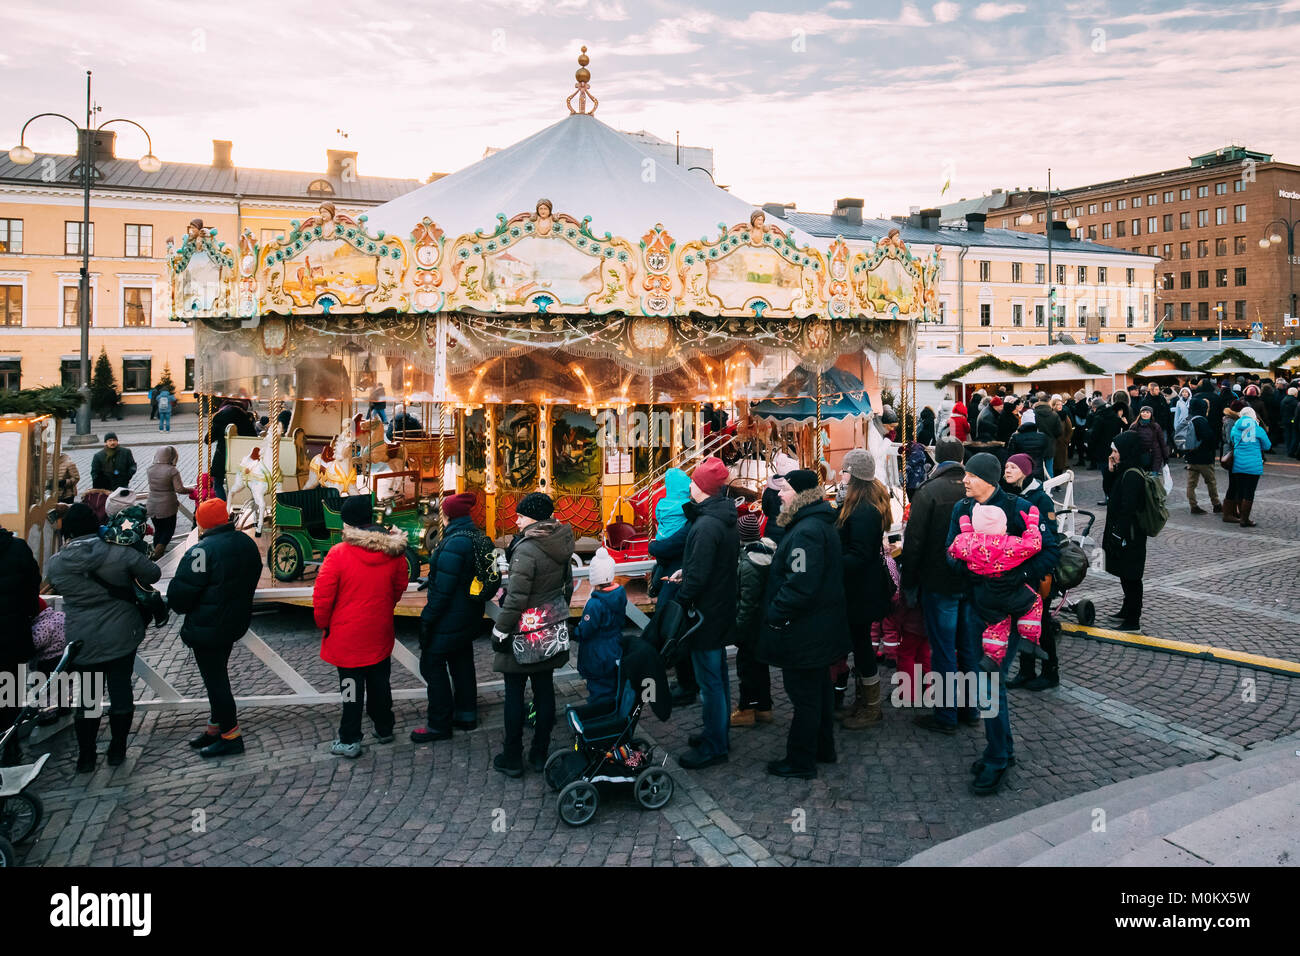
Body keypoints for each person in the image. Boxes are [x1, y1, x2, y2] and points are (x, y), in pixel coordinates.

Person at [943, 453, 1058, 796]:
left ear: (989, 479)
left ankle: (996, 758)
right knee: (988, 683)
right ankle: (1003, 751)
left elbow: (1050, 550)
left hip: (1010, 611)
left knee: (988, 684)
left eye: (971, 475)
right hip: (976, 606)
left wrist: (1016, 573)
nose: (964, 480)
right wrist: (971, 569)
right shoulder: (961, 509)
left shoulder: (1018, 507)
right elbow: (949, 552)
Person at [45, 502, 161, 773]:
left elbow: (55, 583)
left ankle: (86, 757)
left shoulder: (57, 564)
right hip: (121, 632)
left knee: (87, 695)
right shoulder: (118, 552)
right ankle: (117, 750)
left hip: (82, 636)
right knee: (120, 689)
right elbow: (153, 573)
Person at [758, 469, 850, 780]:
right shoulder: (813, 524)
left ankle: (800, 760)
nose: (779, 495)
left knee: (805, 696)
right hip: (818, 628)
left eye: (784, 490)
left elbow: (800, 585)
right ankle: (823, 749)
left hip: (806, 630)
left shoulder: (805, 532)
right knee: (819, 691)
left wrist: (776, 613)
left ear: (800, 495)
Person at [313, 495, 410, 758]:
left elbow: (323, 596)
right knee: (380, 683)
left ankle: (350, 737)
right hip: (378, 628)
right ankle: (384, 726)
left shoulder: (339, 554)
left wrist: (323, 623)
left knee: (350, 689)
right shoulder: (393, 551)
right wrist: (383, 606)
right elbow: (399, 586)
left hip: (346, 634)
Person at [166, 498, 262, 757]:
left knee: (216, 682)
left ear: (202, 523)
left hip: (208, 627)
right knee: (217, 676)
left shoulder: (202, 550)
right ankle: (215, 727)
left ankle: (231, 735)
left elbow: (182, 594)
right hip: (234, 621)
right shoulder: (246, 543)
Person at [490, 492, 574, 776]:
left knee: (514, 693)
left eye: (521, 515)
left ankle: (512, 755)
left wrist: (501, 629)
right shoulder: (561, 539)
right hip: (548, 628)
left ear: (533, 518)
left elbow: (516, 598)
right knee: (544, 689)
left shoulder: (527, 549)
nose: (517, 519)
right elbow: (567, 587)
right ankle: (540, 752)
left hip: (524, 630)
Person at [671, 456, 739, 771]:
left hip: (705, 613)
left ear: (702, 488)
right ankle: (718, 733)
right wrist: (689, 572)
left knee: (710, 680)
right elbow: (707, 567)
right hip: (719, 606)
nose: (690, 487)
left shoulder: (707, 524)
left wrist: (682, 599)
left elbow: (699, 575)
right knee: (718, 677)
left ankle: (715, 744)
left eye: (694, 482)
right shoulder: (721, 518)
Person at [412, 492, 496, 743]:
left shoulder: (453, 542)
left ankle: (439, 723)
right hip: (469, 613)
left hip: (450, 616)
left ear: (447, 515)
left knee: (432, 664)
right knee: (461, 661)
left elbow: (444, 590)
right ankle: (467, 713)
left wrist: (427, 618)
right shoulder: (475, 535)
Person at [901, 436, 968, 718]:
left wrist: (909, 582)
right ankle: (969, 709)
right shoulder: (974, 488)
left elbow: (914, 542)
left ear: (937, 458)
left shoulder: (929, 491)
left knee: (942, 649)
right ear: (962, 459)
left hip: (939, 582)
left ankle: (946, 713)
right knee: (967, 649)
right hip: (970, 580)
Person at [947, 503, 1045, 670]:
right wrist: (1032, 525)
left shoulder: (967, 543)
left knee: (997, 624)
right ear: (1002, 527)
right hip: (1008, 590)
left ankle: (992, 657)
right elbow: (1034, 545)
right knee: (1033, 603)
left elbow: (953, 550)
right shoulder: (1009, 544)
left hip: (984, 595)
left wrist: (967, 533)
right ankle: (1028, 638)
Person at [834, 449, 891, 730]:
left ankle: (871, 706)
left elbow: (860, 554)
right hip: (859, 588)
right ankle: (863, 702)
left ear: (854, 475)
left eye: (844, 471)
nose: (840, 475)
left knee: (863, 647)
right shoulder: (858, 503)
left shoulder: (864, 510)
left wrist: (831, 560)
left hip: (861, 591)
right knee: (859, 645)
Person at [1000, 454, 1061, 690]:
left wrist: (1036, 569)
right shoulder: (1011, 494)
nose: (1007, 470)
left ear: (1025, 471)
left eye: (1013, 467)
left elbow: (1050, 540)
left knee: (1042, 623)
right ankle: (1026, 670)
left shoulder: (1040, 499)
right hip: (1019, 567)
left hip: (1036, 571)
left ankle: (1050, 671)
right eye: (1006, 466)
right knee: (1021, 622)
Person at [646, 467, 697, 705]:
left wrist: (655, 547)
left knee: (673, 627)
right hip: (673, 569)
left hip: (676, 573)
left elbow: (669, 543)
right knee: (675, 626)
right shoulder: (686, 509)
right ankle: (685, 679)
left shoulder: (664, 506)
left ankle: (686, 684)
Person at [0, 525, 41, 766]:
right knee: (9, 691)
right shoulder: (17, 548)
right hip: (12, 634)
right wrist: (27, 613)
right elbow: (32, 585)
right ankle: (11, 745)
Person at [731, 511, 776, 727]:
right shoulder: (765, 555)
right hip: (763, 621)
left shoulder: (749, 563)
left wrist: (738, 628)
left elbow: (746, 602)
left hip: (752, 624)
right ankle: (764, 707)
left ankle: (746, 708)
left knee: (746, 666)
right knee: (760, 665)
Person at [1103, 433, 1149, 632]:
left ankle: (1133, 620)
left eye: (1115, 451)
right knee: (1124, 572)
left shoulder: (1132, 474)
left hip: (1130, 534)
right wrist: (1111, 471)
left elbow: (1127, 509)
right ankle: (1126, 609)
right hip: (1124, 531)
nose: (1112, 455)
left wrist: (1118, 534)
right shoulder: (1124, 470)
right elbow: (1109, 492)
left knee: (1131, 575)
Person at [572, 547, 624, 709]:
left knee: (599, 690)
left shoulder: (595, 604)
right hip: (614, 648)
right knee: (611, 685)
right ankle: (615, 712)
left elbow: (585, 631)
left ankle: (601, 717)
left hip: (597, 653)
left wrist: (572, 631)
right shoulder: (619, 594)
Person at [1225, 406, 1271, 529]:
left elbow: (1233, 441)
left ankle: (1241, 516)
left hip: (1238, 463)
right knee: (1249, 492)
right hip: (1253, 465)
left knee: (1240, 490)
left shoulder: (1235, 427)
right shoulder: (1258, 429)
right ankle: (1245, 520)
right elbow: (1267, 446)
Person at [146, 446, 193, 560]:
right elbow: (179, 489)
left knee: (158, 530)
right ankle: (159, 551)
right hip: (167, 505)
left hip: (152, 503)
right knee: (168, 530)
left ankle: (156, 554)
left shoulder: (150, 469)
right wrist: (192, 490)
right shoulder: (172, 470)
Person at [207, 399, 256, 500]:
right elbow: (253, 438)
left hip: (222, 456)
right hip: (242, 457)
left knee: (218, 484)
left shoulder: (219, 417)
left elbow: (208, 439)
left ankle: (223, 506)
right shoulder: (246, 417)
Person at [1183, 397, 1222, 515]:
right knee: (1211, 482)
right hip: (1204, 458)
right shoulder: (1201, 420)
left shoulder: (1187, 419)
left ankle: (1193, 505)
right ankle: (1216, 504)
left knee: (1191, 483)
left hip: (1191, 456)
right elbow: (1209, 438)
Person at [760, 453, 798, 544]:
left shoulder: (769, 489)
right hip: (789, 531)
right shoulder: (795, 488)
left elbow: (765, 511)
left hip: (772, 531)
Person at [1005, 408, 1051, 479]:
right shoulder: (1042, 436)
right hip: (1038, 469)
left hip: (1022, 470)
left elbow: (1011, 455)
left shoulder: (1016, 437)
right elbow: (1045, 452)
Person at [1130, 404, 1171, 476]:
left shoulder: (1156, 426)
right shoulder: (1134, 426)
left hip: (1155, 455)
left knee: (1153, 480)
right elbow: (1129, 441)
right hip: (1139, 455)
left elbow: (1162, 443)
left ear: (1151, 414)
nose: (1145, 414)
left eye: (1147, 412)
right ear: (1140, 413)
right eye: (1143, 412)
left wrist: (1165, 457)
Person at [1032, 392, 1062, 478]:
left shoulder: (1033, 413)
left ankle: (1039, 488)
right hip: (1050, 443)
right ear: (1049, 401)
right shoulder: (1054, 414)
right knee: (1049, 468)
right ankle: (1049, 488)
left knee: (1037, 468)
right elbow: (1059, 431)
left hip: (1036, 443)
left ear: (1039, 401)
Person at [1282, 386, 1299, 459]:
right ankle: (1291, 451)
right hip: (1293, 420)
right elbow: (1296, 413)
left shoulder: (1283, 400)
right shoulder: (1296, 402)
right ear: (1295, 393)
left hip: (1285, 420)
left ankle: (1288, 449)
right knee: (1294, 436)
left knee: (1287, 435)